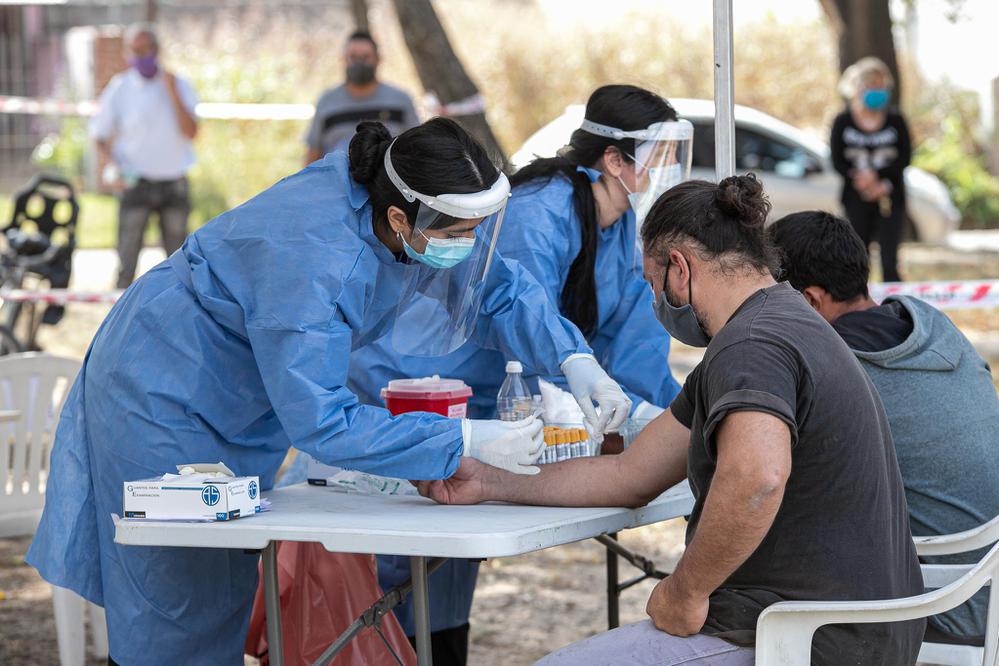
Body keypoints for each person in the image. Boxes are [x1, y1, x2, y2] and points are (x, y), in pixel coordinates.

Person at [26, 117, 632, 665]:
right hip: (161, 384)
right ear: (400, 219)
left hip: (241, 392)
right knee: (176, 597)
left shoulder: (398, 204)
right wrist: (466, 436)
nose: (470, 244)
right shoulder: (314, 257)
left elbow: (499, 285)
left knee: (224, 582)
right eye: (461, 231)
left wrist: (574, 358)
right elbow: (323, 422)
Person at [415, 175, 926, 665]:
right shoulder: (780, 322)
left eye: (652, 284)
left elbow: (756, 478)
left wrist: (687, 590)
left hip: (801, 638)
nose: (656, 301)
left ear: (679, 268)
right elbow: (629, 474)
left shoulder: (752, 345)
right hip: (850, 629)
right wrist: (489, 480)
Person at [340, 84, 691, 661]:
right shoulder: (545, 210)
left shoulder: (622, 227)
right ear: (613, 160)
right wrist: (566, 374)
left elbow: (633, 344)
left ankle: (442, 647)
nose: (671, 171)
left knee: (449, 563)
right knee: (404, 555)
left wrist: (669, 419)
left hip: (483, 408)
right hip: (411, 387)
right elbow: (521, 318)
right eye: (662, 156)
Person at [769, 210, 999, 646]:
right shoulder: (932, 322)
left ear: (811, 300)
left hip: (944, 607)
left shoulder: (832, 366)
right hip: (990, 587)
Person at [90, 23, 198, 289]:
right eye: (135, 51)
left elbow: (191, 132)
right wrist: (111, 164)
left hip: (173, 183)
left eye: (145, 50)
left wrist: (171, 91)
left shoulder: (179, 84)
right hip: (134, 183)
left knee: (180, 264)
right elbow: (99, 134)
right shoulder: (121, 88)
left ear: (157, 50)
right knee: (126, 261)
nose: (141, 56)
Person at [830, 56, 912, 283]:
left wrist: (879, 180)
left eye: (881, 85)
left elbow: (905, 157)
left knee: (889, 260)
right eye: (870, 85)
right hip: (855, 197)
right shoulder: (843, 121)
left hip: (890, 198)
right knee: (857, 258)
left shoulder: (896, 120)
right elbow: (837, 160)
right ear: (856, 87)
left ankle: (894, 310)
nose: (877, 90)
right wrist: (860, 179)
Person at [304, 30, 419, 163]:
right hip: (338, 181)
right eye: (353, 57)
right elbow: (313, 154)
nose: (359, 63)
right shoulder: (327, 101)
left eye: (365, 57)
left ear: (378, 59)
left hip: (387, 181)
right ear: (343, 59)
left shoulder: (400, 101)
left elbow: (416, 149)